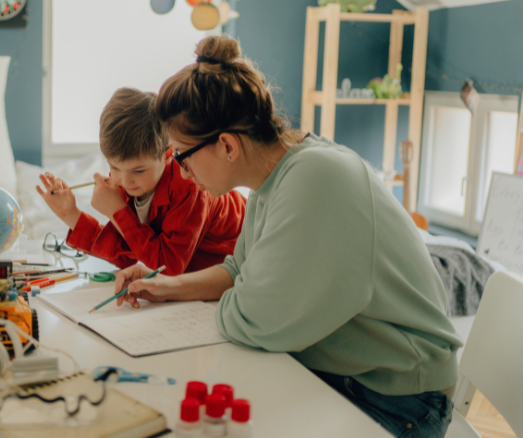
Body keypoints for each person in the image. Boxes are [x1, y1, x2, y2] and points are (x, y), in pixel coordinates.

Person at [113, 37, 461, 437]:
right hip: (347, 378)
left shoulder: (315, 178)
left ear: (226, 145)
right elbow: (237, 271)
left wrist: (241, 296)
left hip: (396, 399)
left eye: (181, 155)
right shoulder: (273, 181)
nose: (182, 171)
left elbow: (256, 320)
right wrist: (166, 286)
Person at [36, 87, 246, 276]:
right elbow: (127, 254)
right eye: (114, 167)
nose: (125, 181)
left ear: (167, 155)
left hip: (245, 254)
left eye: (138, 170)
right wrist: (71, 215)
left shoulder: (189, 187)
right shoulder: (133, 183)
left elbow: (168, 267)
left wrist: (118, 212)